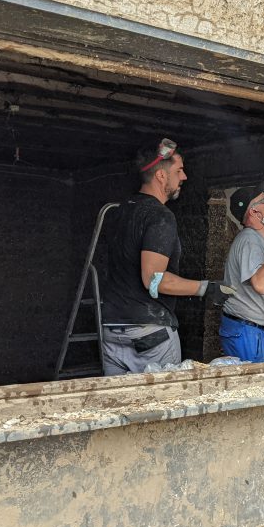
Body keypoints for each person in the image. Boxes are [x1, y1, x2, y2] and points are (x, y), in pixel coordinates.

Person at [101, 138, 235, 375]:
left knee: (121, 406)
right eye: (179, 170)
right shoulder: (160, 216)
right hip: (148, 336)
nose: (183, 177)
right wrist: (206, 288)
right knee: (161, 404)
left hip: (112, 330)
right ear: (161, 176)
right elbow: (154, 279)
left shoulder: (119, 211)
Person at [220, 184, 264, 363]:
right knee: (257, 389)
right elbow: (260, 284)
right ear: (254, 212)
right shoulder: (249, 240)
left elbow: (255, 281)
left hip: (250, 331)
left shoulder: (258, 240)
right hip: (247, 333)